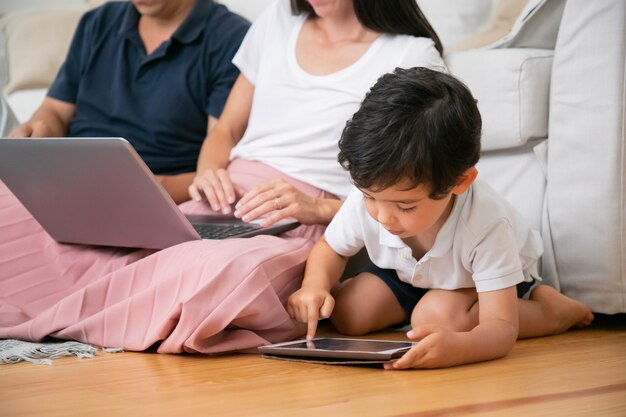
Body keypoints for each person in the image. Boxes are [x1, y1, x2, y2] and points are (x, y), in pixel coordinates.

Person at [0, 0, 445, 356]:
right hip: (228, 193)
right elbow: (225, 131)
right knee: (83, 242)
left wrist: (320, 209)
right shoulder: (278, 21)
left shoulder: (410, 53)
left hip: (306, 210)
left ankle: (71, 313)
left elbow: (415, 182)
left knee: (219, 273)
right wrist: (212, 169)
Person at [287, 67, 595, 369]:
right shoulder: (376, 192)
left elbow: (500, 329)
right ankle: (422, 305)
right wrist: (314, 285)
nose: (383, 216)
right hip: (412, 274)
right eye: (369, 197)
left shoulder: (486, 225)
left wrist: (461, 348)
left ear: (459, 182)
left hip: (474, 282)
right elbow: (332, 247)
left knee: (437, 318)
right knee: (350, 313)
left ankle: (553, 311)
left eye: (405, 206)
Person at [8, 0, 250, 203]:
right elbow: (55, 111)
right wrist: (37, 132)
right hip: (66, 185)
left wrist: (149, 189)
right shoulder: (97, 22)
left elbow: (218, 157)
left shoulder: (232, 38)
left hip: (155, 194)